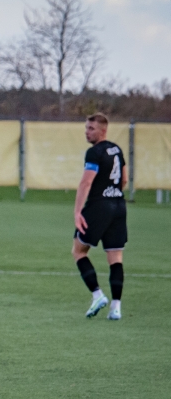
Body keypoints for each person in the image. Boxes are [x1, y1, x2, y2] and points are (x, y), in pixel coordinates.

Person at [73, 113, 127, 320]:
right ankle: (116, 307)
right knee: (115, 258)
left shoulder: (94, 153)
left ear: (103, 130)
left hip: (99, 207)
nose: (87, 132)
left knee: (78, 251)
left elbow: (86, 182)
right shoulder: (117, 149)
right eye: (86, 128)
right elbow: (124, 179)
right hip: (119, 206)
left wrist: (78, 212)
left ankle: (97, 295)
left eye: (91, 128)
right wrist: (112, 193)